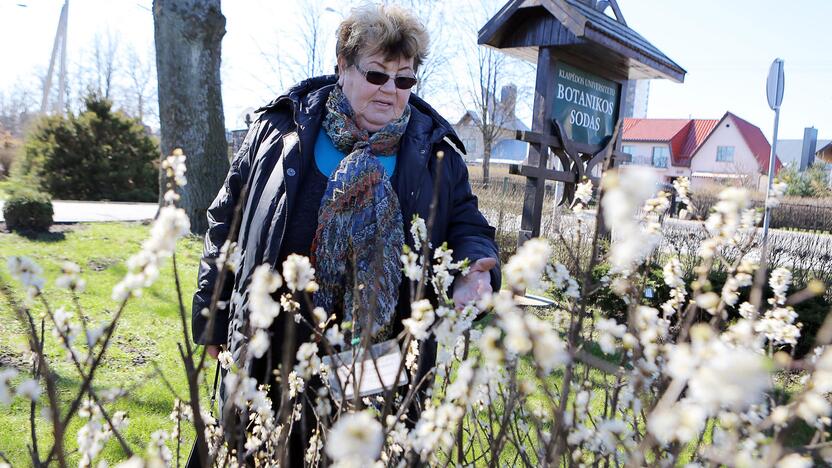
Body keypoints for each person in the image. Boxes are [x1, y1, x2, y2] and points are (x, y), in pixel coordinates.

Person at [190, 3, 500, 463]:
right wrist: (213, 317)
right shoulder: (280, 131)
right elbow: (225, 224)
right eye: (377, 75)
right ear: (343, 67)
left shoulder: (437, 152)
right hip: (268, 349)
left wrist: (477, 269)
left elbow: (468, 225)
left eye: (404, 80)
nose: (390, 91)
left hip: (380, 362)